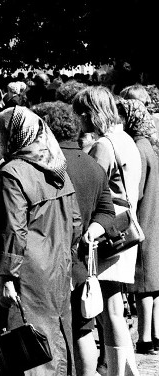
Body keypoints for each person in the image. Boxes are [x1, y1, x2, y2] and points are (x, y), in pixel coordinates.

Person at [0, 107, 80, 376]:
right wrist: (66, 261)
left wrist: (6, 277)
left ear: (14, 135)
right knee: (53, 340)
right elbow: (75, 222)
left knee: (23, 347)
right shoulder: (57, 168)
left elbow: (12, 230)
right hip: (56, 268)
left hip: (25, 273)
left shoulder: (12, 173)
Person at [33, 101, 116, 375]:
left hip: (47, 260)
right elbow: (107, 212)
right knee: (82, 330)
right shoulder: (92, 165)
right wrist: (95, 228)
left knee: (45, 331)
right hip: (81, 259)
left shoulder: (41, 166)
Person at [73, 86, 142, 375]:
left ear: (90, 113)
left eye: (81, 113)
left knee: (110, 308)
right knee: (115, 304)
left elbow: (92, 188)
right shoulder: (125, 138)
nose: (79, 119)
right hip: (124, 226)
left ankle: (120, 370)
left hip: (108, 230)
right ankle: (119, 367)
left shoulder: (105, 144)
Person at [118, 99, 159, 356]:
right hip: (154, 214)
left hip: (145, 216)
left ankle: (145, 337)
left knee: (143, 279)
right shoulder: (150, 146)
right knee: (154, 281)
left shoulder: (138, 148)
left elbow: (135, 189)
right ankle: (154, 333)